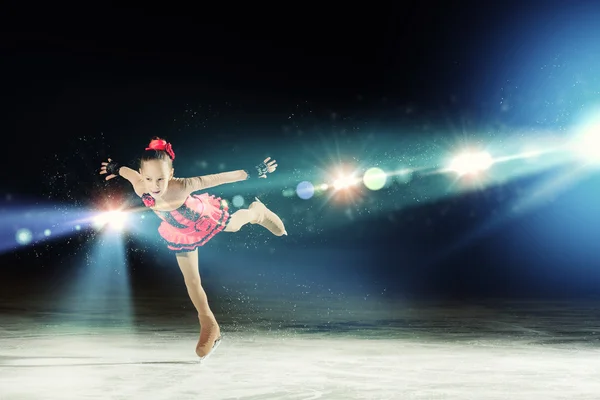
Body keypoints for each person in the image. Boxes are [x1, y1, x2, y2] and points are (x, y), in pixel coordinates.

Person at [99, 137, 287, 360]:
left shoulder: (183, 186)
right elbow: (127, 172)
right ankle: (209, 325)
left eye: (161, 178)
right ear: (142, 174)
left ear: (171, 174)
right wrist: (114, 167)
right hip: (179, 232)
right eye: (149, 178)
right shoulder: (141, 185)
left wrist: (250, 172)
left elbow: (217, 179)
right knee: (192, 281)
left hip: (203, 218)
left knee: (234, 225)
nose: (155, 185)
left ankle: (257, 212)